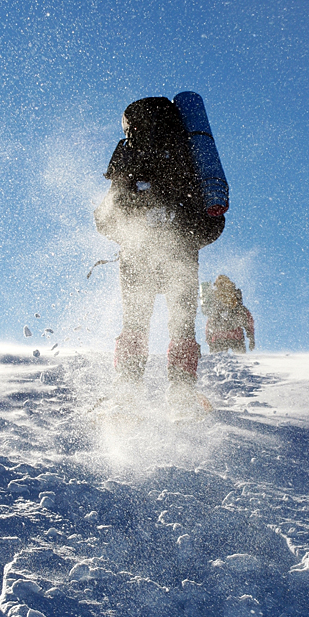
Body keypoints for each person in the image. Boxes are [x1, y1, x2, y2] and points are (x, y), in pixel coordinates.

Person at [94, 96, 225, 413]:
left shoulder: (129, 152)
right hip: (182, 256)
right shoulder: (187, 154)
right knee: (181, 326)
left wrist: (128, 235)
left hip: (136, 260)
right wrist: (188, 239)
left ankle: (126, 394)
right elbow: (213, 221)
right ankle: (181, 395)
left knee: (135, 325)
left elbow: (105, 216)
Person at [200, 275, 255, 354]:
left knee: (217, 362)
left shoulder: (215, 301)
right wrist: (251, 337)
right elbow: (247, 318)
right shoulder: (235, 300)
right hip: (236, 337)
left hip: (218, 337)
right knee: (240, 362)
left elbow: (210, 321)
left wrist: (208, 338)